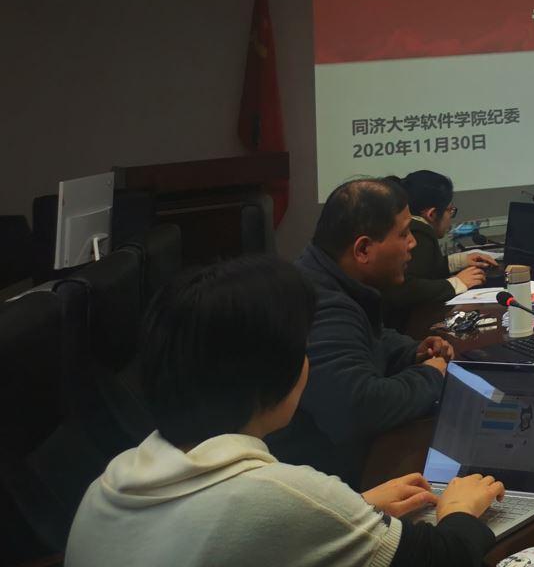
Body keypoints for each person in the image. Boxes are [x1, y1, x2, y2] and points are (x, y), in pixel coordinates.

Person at [65, 255, 504, 567]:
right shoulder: (277, 495)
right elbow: (445, 558)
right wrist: (460, 510)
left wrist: (353, 508)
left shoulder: (109, 482)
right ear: (276, 371)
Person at [269, 178, 452, 485]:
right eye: (404, 233)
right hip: (322, 480)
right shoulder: (323, 307)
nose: (413, 243)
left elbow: (371, 337)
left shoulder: (323, 275)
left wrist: (412, 351)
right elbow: (360, 409)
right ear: (363, 249)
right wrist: (431, 375)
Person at [382, 170, 500, 329]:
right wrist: (456, 283)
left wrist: (459, 261)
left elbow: (424, 268)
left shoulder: (413, 227)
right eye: (450, 210)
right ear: (431, 214)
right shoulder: (420, 232)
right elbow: (406, 288)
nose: (411, 242)